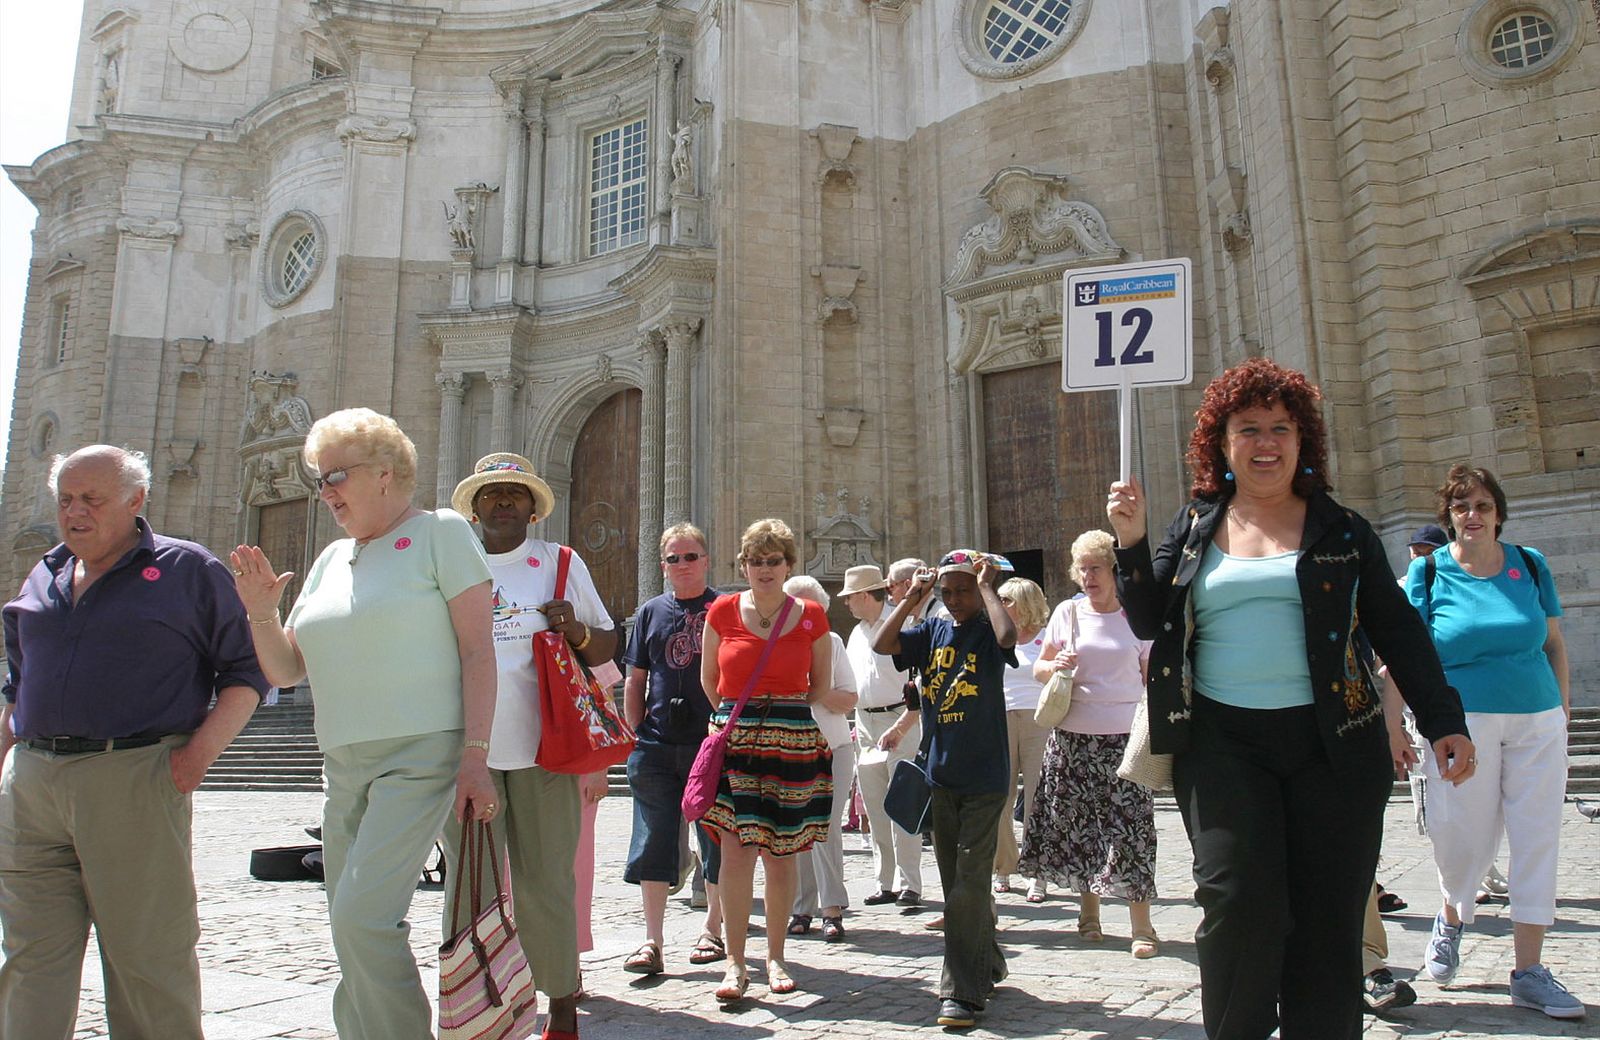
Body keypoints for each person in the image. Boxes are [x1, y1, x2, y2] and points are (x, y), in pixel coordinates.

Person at [1106, 358, 1475, 1040]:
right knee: (1235, 904)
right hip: (1220, 743)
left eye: (1281, 428)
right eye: (1249, 428)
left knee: (1327, 917)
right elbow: (1149, 620)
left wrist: (1444, 718)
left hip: (1334, 744)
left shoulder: (1342, 530)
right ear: (1222, 443)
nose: (1266, 442)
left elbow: (1398, 628)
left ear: (1304, 442)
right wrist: (1129, 544)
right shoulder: (1192, 527)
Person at [231, 408, 497, 1040]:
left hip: (420, 754)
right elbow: (288, 670)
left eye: (336, 477)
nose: (324, 493)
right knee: (346, 922)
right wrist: (262, 614)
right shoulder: (329, 559)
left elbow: (478, 650)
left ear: (385, 473)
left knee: (362, 916)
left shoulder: (442, 533)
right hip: (342, 762)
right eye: (319, 480)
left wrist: (475, 755)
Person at [0, 445, 270, 1038]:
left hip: (133, 776)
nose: (74, 512)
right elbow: (18, 683)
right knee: (27, 958)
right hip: (33, 788)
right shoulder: (43, 571)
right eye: (66, 499)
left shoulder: (187, 570)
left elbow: (247, 671)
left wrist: (194, 761)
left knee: (148, 960)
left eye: (91, 500)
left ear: (135, 500)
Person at [440, 453, 619, 1039]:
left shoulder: (559, 562)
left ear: (534, 507)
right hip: (471, 755)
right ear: (474, 505)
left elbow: (603, 648)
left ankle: (561, 1005)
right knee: (474, 886)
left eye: (515, 494)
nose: (503, 503)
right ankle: (479, 1006)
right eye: (492, 494)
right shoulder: (449, 561)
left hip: (548, 751)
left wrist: (576, 630)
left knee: (547, 882)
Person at [1399, 464, 1582, 1020]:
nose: (1471, 515)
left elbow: (1553, 643)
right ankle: (1452, 915)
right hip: (1460, 724)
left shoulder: (1530, 565)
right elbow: (1400, 658)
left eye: (1481, 505)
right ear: (1448, 517)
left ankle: (1529, 970)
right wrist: (1396, 726)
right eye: (1460, 507)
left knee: (1537, 838)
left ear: (1498, 511)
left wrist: (1563, 707)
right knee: (1462, 839)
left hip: (1537, 720)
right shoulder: (1428, 574)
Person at [876, 551, 1018, 1030]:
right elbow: (883, 642)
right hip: (941, 775)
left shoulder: (987, 625)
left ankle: (961, 992)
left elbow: (1007, 637)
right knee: (957, 881)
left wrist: (987, 589)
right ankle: (989, 961)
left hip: (985, 776)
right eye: (948, 592)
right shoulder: (933, 630)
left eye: (963, 591)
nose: (955, 600)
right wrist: (913, 597)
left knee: (969, 884)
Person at [699, 519, 833, 1003]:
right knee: (735, 854)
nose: (764, 569)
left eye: (773, 560)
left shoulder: (813, 614)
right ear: (744, 565)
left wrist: (781, 709)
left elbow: (819, 683)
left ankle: (775, 955)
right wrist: (741, 716)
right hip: (735, 740)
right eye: (755, 560)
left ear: (788, 565)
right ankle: (736, 961)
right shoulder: (722, 611)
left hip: (792, 740)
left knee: (781, 854)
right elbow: (710, 681)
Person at [1020, 530, 1159, 956]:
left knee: (1133, 830)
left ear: (1114, 571)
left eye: (1096, 567)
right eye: (1082, 568)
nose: (1088, 576)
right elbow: (1039, 668)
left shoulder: (1137, 617)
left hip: (1125, 740)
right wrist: (1054, 665)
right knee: (1081, 828)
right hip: (1073, 737)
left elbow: (1151, 676)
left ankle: (1142, 927)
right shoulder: (1068, 613)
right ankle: (1089, 916)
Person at [621, 522, 727, 975]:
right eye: (673, 558)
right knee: (653, 840)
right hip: (658, 744)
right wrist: (637, 729)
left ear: (706, 559)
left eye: (690, 556)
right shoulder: (650, 612)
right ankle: (652, 941)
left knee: (717, 837)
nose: (682, 564)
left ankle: (714, 929)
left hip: (710, 745)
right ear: (662, 566)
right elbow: (636, 676)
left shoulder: (727, 609)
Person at [839, 564, 924, 908]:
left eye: (849, 598)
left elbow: (919, 677)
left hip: (899, 718)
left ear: (863, 595)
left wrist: (907, 720)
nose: (845, 604)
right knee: (874, 806)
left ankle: (910, 883)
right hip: (864, 723)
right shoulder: (856, 634)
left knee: (903, 802)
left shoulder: (902, 623)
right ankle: (883, 881)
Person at [784, 575, 859, 942]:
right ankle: (802, 907)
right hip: (788, 748)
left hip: (833, 749)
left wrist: (811, 690)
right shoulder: (773, 645)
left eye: (802, 605)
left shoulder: (831, 643)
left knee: (825, 826)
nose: (795, 611)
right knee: (797, 826)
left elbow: (849, 699)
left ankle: (831, 907)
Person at [991, 577, 1050, 902]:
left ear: (1025, 602)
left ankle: (1037, 872)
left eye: (1007, 600)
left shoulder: (1045, 637)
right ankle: (1004, 866)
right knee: (1000, 794)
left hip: (1038, 718)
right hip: (1000, 717)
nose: (1000, 604)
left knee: (1037, 797)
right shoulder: (998, 637)